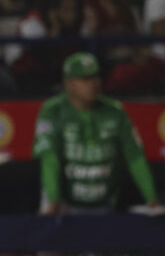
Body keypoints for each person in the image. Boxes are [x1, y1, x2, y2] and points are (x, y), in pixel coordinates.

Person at [33, 52, 158, 215]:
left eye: (96, 77)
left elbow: (135, 157)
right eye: (85, 79)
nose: (93, 84)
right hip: (64, 204)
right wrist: (54, 198)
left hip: (104, 203)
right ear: (69, 83)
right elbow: (50, 158)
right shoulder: (52, 111)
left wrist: (151, 197)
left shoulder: (115, 111)